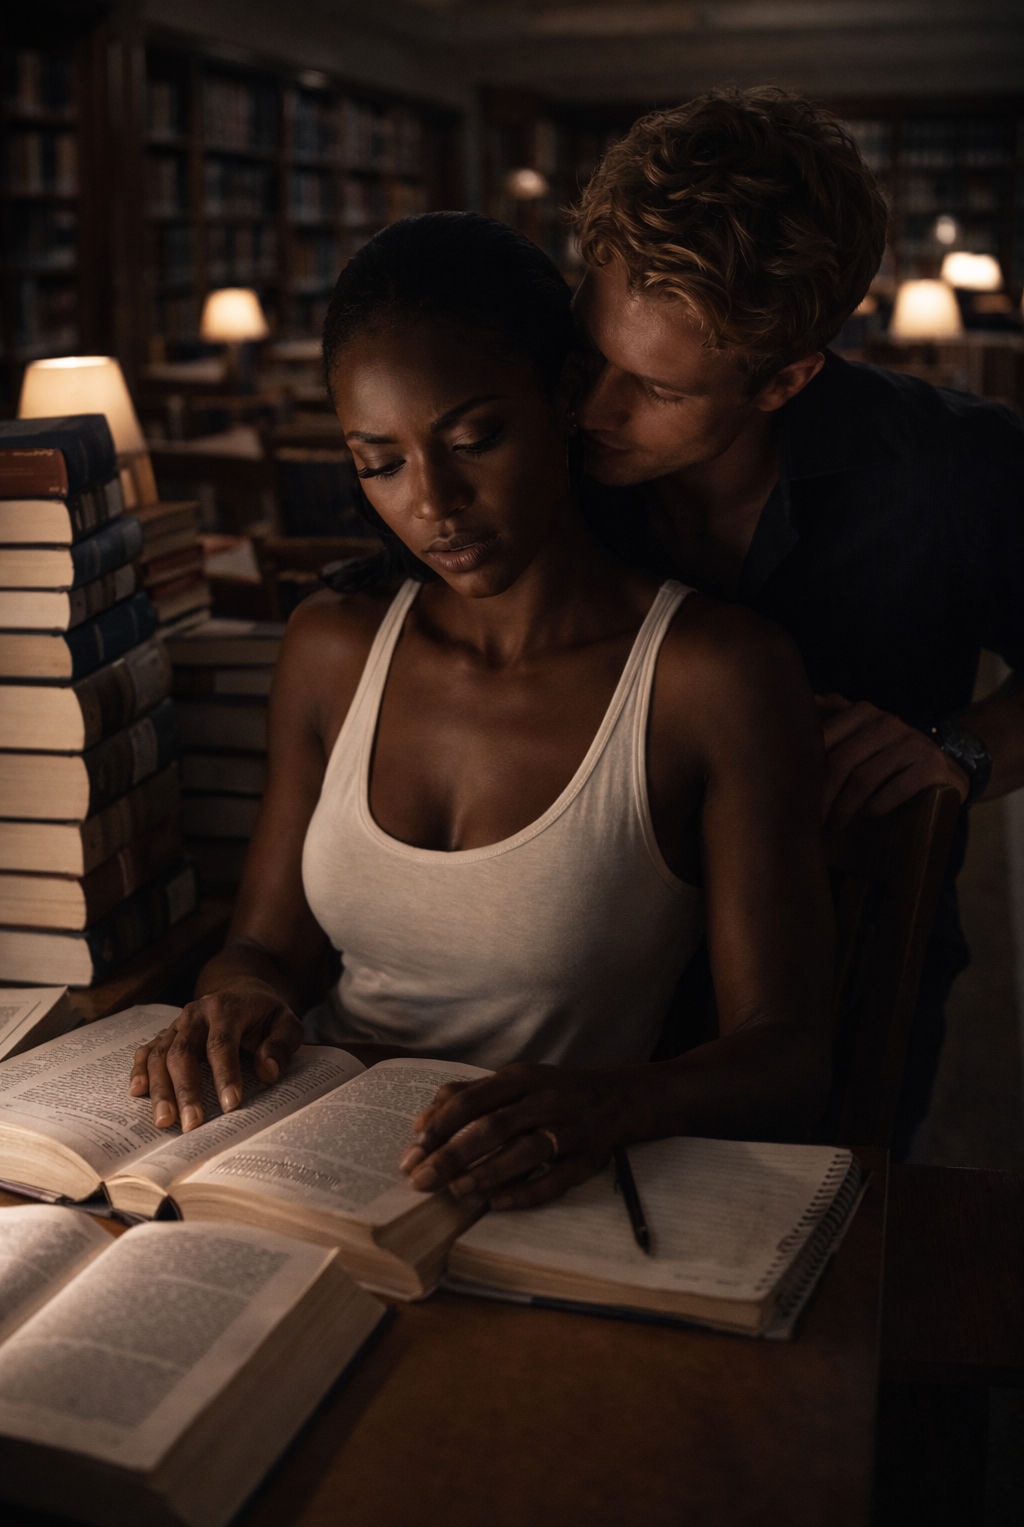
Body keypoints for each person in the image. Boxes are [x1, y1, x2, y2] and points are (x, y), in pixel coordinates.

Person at [129, 212, 833, 1209]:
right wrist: (236, 999)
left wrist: (612, 1105)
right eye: (379, 462)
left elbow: (790, 1054)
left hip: (540, 1193)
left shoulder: (710, 675)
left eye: (474, 439)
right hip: (297, 1161)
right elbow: (267, 947)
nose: (434, 502)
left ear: (564, 401)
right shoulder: (334, 645)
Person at [570, 87, 1024, 1158]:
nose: (591, 409)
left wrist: (957, 751)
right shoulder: (550, 440)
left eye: (653, 388)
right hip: (574, 960)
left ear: (786, 380)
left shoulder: (953, 469)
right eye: (589, 352)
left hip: (850, 956)